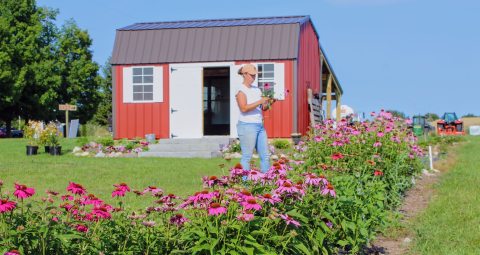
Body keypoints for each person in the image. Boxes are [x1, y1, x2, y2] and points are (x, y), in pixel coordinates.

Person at [235, 64, 274, 173]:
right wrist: (260, 101)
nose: (254, 77)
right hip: (247, 126)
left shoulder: (257, 89)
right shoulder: (240, 90)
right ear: (244, 74)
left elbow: (263, 107)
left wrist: (270, 102)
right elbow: (243, 108)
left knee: (265, 155)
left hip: (259, 125)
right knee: (247, 157)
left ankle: (267, 181)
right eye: (252, 75)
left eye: (255, 75)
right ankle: (245, 184)